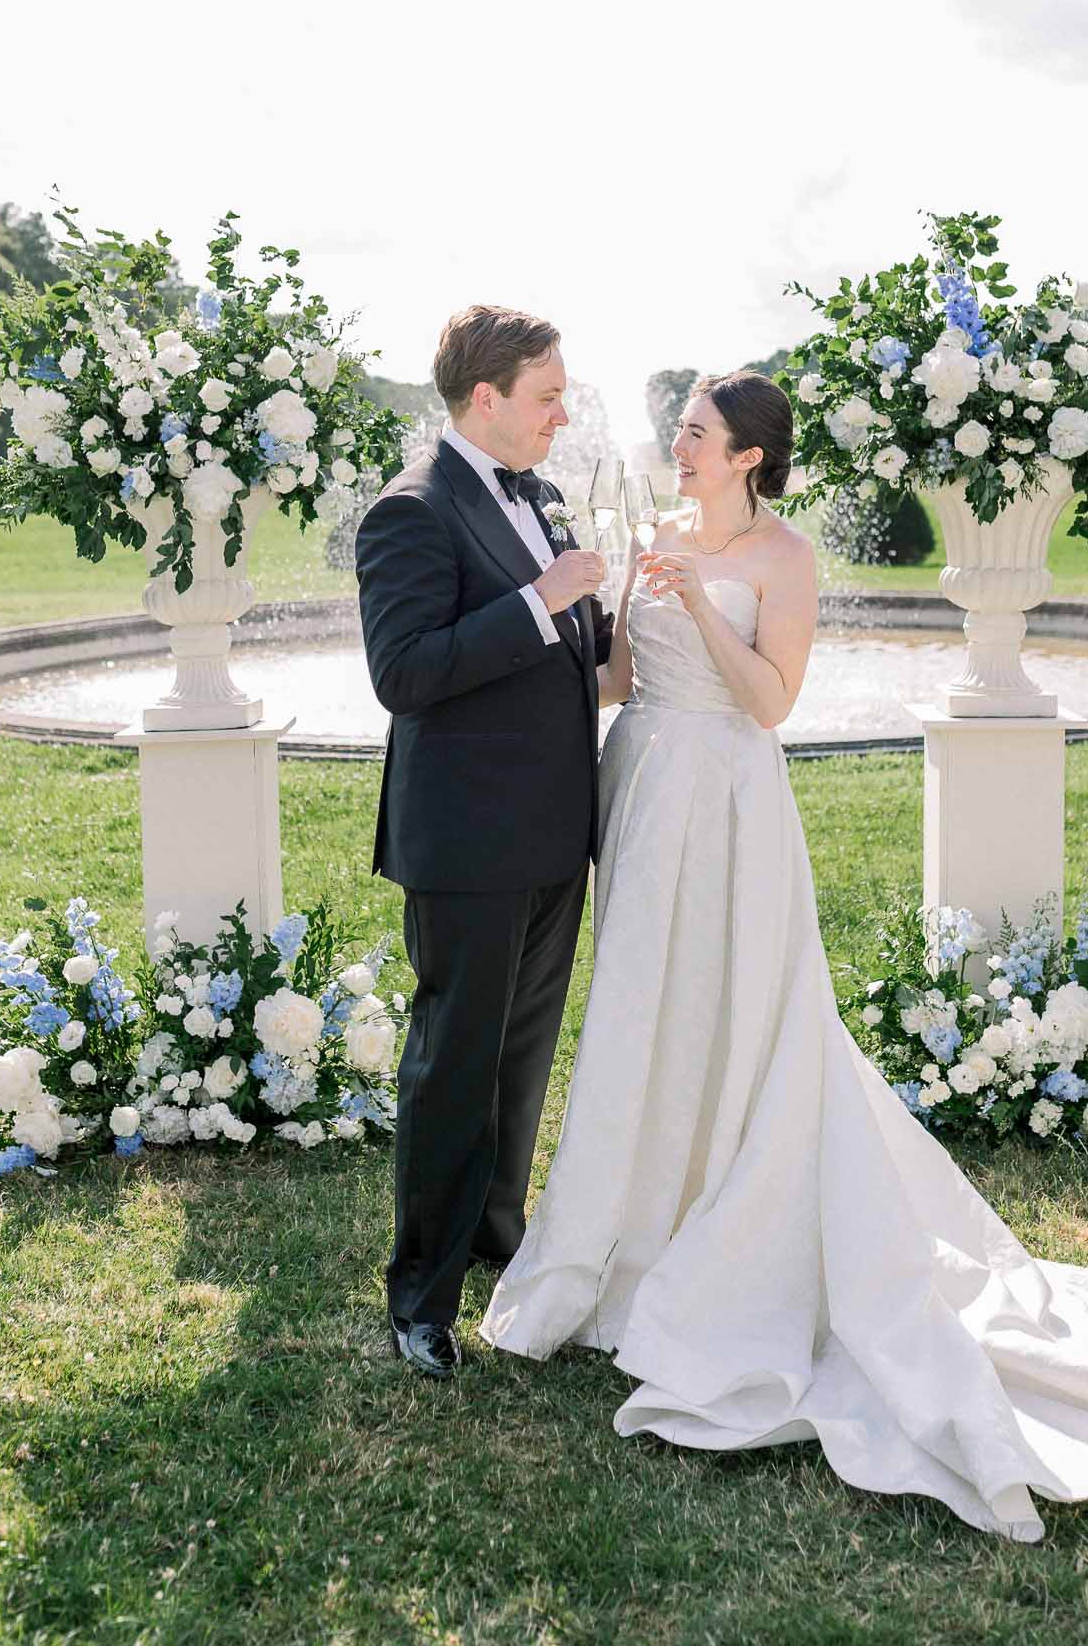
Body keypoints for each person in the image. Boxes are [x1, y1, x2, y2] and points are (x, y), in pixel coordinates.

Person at [480, 369, 1088, 1542]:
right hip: (645, 787)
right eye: (683, 429)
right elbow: (616, 679)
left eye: (701, 434)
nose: (682, 443)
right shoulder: (652, 530)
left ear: (750, 457)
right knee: (641, 1010)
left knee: (741, 1012)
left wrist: (701, 607)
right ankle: (628, 1223)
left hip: (729, 795)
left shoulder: (784, 559)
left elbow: (771, 701)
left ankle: (726, 1234)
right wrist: (586, 613)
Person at [355, 306, 612, 1379]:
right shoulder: (408, 511)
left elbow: (574, 651)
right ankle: (422, 1291)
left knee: (519, 1061)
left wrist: (615, 610)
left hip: (554, 833)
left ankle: (500, 1240)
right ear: (486, 398)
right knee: (452, 1065)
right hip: (465, 840)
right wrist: (543, 596)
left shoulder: (544, 496)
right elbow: (405, 671)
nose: (564, 411)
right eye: (547, 394)